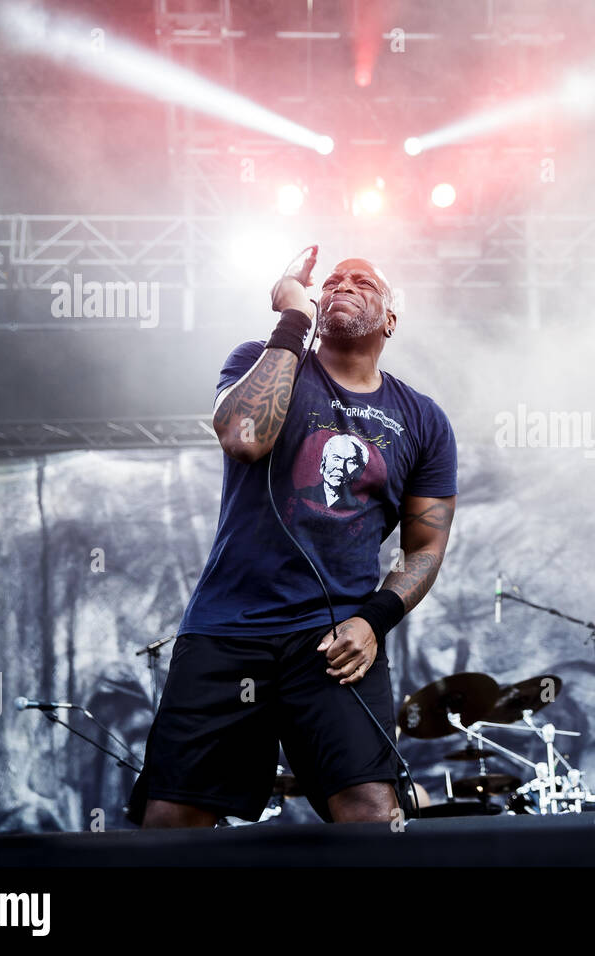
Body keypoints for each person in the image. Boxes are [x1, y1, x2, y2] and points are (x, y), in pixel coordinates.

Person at [127, 250, 457, 827]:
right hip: (229, 629)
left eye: (362, 281)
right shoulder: (262, 357)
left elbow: (425, 545)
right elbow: (245, 438)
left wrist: (373, 621)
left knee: (370, 814)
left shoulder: (423, 420)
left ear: (390, 321)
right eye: (332, 281)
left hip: (335, 640)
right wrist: (292, 320)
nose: (343, 285)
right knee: (173, 819)